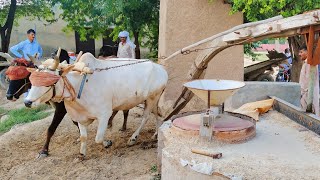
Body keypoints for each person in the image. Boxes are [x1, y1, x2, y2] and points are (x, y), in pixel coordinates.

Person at [298, 45, 319, 116]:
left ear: (307, 52)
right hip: (306, 94)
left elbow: (308, 81)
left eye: (301, 52)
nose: (299, 54)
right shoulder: (306, 63)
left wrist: (302, 93)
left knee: (310, 115)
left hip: (308, 94)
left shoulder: (310, 63)